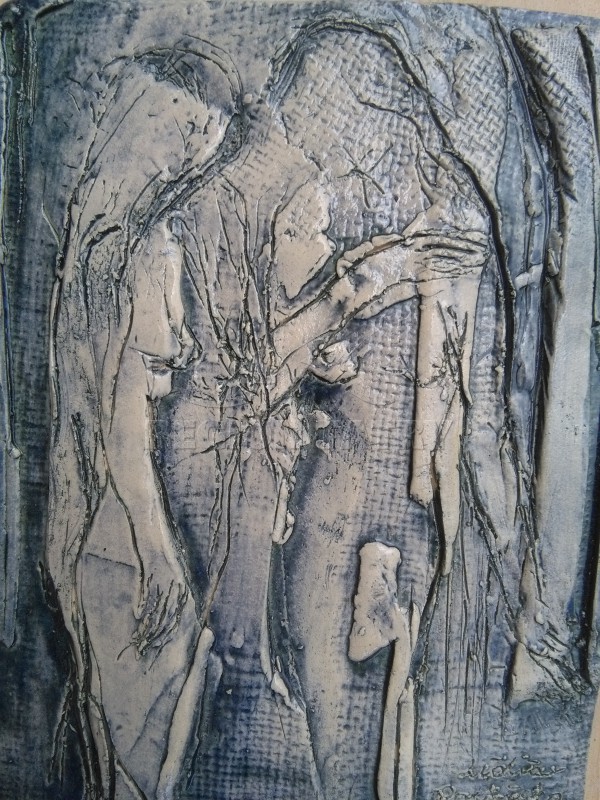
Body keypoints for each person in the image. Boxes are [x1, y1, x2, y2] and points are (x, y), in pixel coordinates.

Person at [46, 42, 242, 799]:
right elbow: (123, 420)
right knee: (142, 750)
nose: (192, 159)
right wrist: (158, 553)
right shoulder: (129, 252)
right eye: (187, 135)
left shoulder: (107, 246)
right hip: (120, 535)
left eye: (206, 145)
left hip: (97, 523)